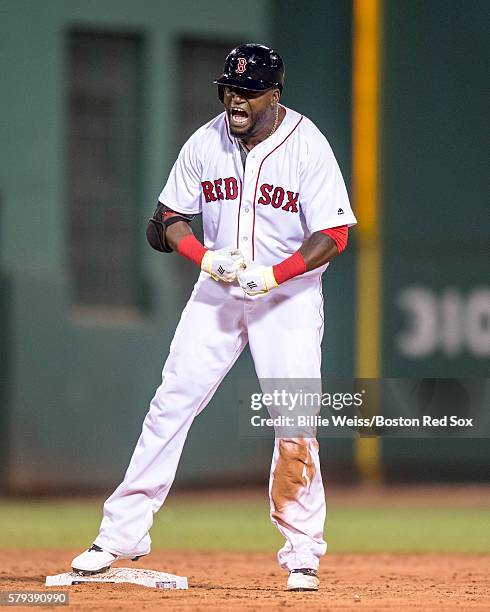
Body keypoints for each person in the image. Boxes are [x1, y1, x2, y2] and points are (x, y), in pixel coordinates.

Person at [71, 43, 357, 592]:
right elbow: (167, 219)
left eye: (248, 90)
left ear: (275, 94)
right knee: (170, 402)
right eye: (230, 88)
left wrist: (277, 274)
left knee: (295, 424)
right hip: (218, 291)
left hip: (288, 297)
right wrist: (206, 258)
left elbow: (335, 234)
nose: (236, 98)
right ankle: (120, 535)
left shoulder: (308, 145)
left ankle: (302, 553)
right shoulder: (206, 141)